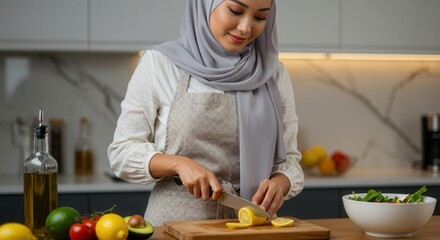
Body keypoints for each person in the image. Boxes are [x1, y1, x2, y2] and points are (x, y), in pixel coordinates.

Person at [108, 0, 304, 226]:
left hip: (252, 225)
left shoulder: (273, 74)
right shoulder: (160, 63)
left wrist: (280, 184)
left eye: (260, 17)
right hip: (175, 226)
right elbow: (122, 153)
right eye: (235, 11)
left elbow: (290, 162)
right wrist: (178, 164)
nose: (245, 28)